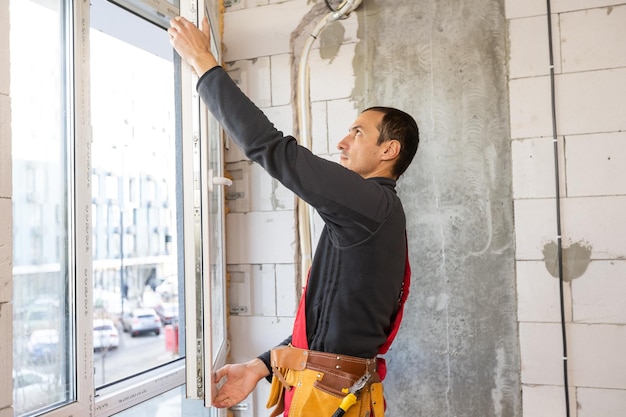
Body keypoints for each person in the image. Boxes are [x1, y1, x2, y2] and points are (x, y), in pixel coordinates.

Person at [169, 15, 419, 417]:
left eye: (357, 132)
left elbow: (272, 148)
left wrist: (204, 64)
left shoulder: (372, 205)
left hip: (330, 399)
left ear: (389, 151)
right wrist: (260, 366)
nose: (342, 141)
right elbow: (328, 330)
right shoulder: (373, 215)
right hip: (329, 393)